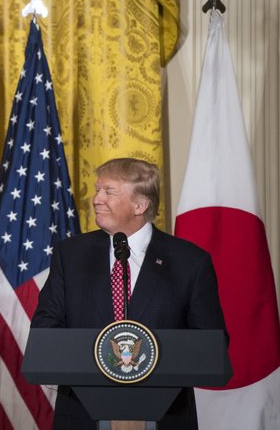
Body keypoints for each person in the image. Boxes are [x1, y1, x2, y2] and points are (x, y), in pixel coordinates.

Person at [31, 158, 227, 430]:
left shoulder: (190, 262)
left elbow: (211, 343)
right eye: (97, 189)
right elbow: (45, 327)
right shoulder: (70, 254)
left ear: (140, 205)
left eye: (108, 191)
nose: (96, 199)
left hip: (165, 415)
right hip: (82, 415)